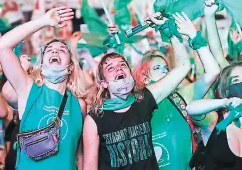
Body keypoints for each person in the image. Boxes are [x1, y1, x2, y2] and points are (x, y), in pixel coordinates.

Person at [82, 13, 192, 170]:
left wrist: (170, 32)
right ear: (104, 83)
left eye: (122, 65)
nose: (118, 68)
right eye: (110, 68)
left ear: (130, 72)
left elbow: (183, 68)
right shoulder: (94, 118)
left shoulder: (144, 100)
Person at [0, 6, 87, 170]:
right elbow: (2, 45)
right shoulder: (28, 91)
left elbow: (79, 153)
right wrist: (44, 21)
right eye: (49, 50)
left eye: (62, 50)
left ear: (71, 67)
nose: (55, 51)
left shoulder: (79, 105)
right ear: (42, 65)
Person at [132, 12, 220, 169]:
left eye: (166, 68)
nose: (165, 71)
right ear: (144, 78)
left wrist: (192, 36)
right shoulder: (136, 105)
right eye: (157, 68)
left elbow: (213, 71)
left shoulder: (181, 98)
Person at [187, 61, 242, 169]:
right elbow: (190, 108)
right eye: (236, 80)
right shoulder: (215, 120)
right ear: (226, 89)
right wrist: (225, 102)